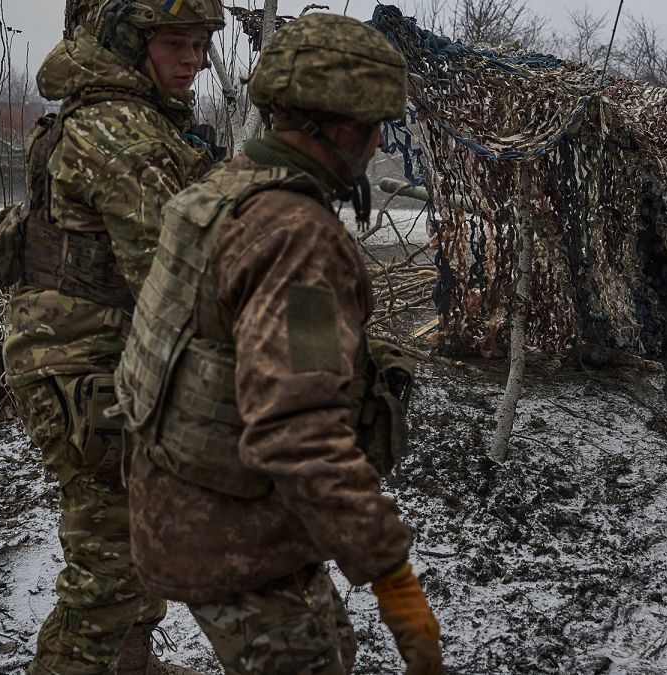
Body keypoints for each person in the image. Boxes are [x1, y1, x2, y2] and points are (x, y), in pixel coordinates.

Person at [110, 12, 442, 675]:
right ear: (340, 128)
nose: (379, 145)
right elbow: (298, 430)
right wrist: (393, 576)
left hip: (181, 505)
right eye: (377, 128)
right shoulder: (296, 238)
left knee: (331, 648)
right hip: (235, 537)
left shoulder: (224, 188)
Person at [0, 1, 224, 673]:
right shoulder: (118, 132)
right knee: (110, 568)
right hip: (79, 371)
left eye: (201, 44)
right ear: (129, 42)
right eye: (177, 43)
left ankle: (128, 664)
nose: (194, 60)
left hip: (106, 360)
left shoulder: (133, 118)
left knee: (141, 537)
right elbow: (174, 280)